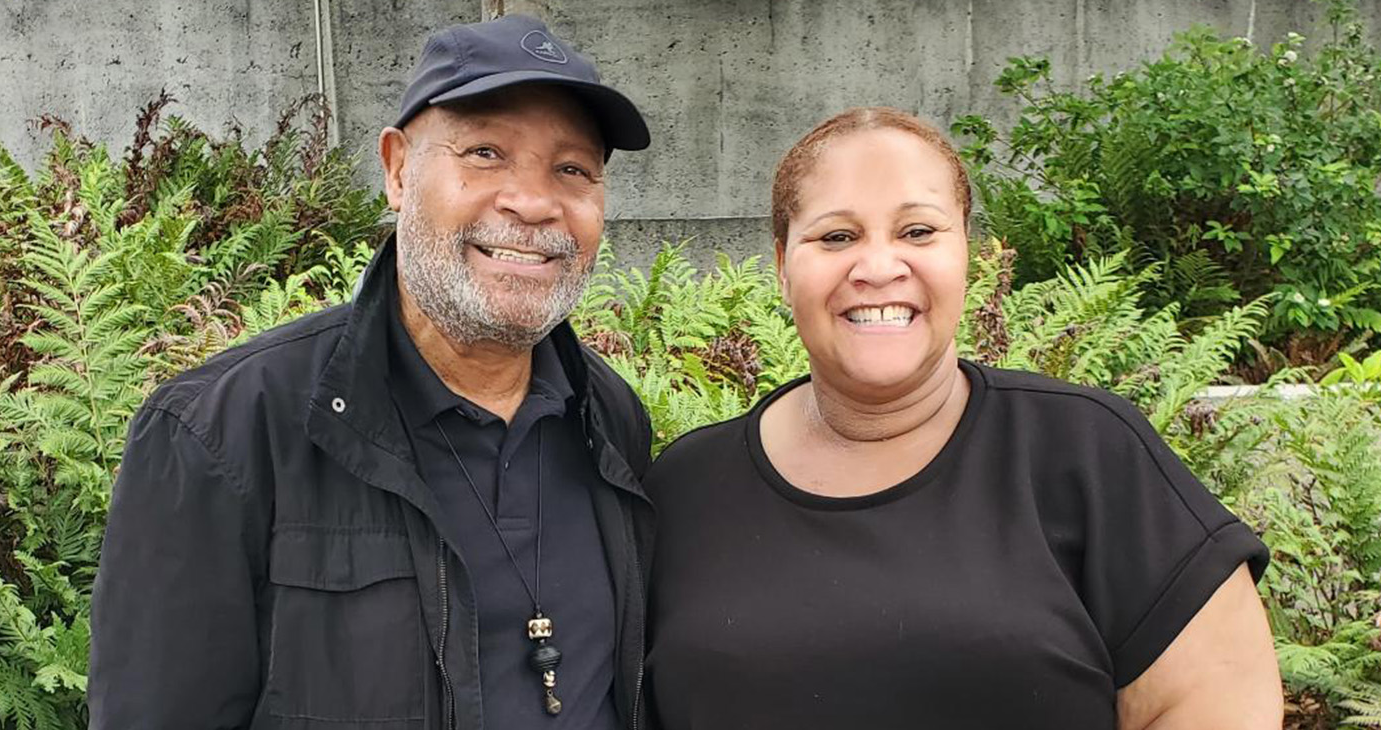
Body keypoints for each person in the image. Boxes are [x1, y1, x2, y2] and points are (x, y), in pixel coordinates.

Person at [89, 15, 655, 730]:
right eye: (485, 152)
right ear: (397, 170)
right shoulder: (220, 434)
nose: (535, 203)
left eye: (572, 169)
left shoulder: (607, 416)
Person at [643, 107, 1283, 729]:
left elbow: (1215, 702)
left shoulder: (1084, 451)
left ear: (968, 254)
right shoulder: (687, 486)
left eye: (918, 232)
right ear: (784, 267)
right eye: (837, 236)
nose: (878, 267)